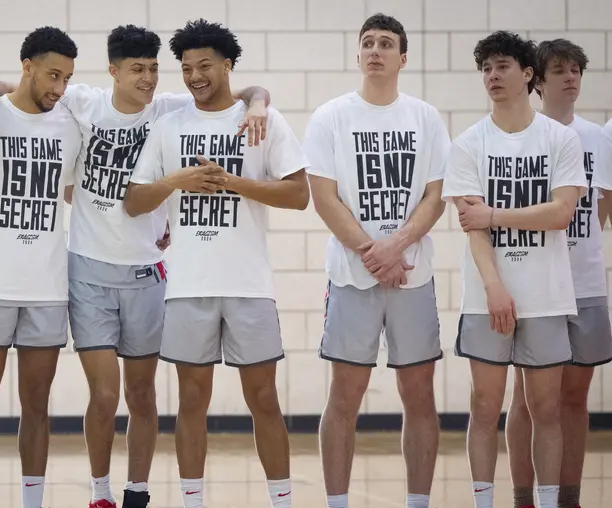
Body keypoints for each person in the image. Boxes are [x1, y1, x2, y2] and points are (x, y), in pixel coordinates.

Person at [0, 24, 272, 508]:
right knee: (105, 394)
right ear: (113, 71)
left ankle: (137, 491)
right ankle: (100, 491)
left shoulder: (170, 109)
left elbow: (248, 90)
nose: (148, 79)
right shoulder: (81, 101)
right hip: (87, 269)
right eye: (137, 70)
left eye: (153, 69)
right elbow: (18, 84)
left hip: (147, 271)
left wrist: (258, 104)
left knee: (143, 395)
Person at [123, 18, 309, 508]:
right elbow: (135, 201)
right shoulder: (168, 125)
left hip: (249, 285)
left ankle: (282, 501)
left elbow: (298, 194)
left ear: (228, 66)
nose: (194, 76)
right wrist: (175, 182)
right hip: (187, 286)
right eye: (186, 68)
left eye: (204, 65)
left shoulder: (261, 120)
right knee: (191, 402)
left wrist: (233, 182)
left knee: (264, 400)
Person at [302, 13, 450, 508]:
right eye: (368, 42)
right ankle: (337, 502)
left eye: (387, 43)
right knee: (344, 397)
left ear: (402, 58)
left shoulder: (425, 117)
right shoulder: (330, 117)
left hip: (413, 277)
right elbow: (323, 197)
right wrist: (373, 253)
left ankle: (418, 502)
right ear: (358, 53)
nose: (376, 50)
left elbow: (435, 196)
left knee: (419, 396)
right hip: (352, 278)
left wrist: (396, 247)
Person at [441, 31, 587, 508]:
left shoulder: (561, 140)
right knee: (484, 407)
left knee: (546, 408)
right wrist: (494, 288)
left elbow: (560, 213)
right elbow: (472, 227)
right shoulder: (467, 144)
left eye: (502, 66)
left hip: (546, 295)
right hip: (488, 297)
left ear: (527, 74)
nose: (492, 76)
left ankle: (547, 502)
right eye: (485, 68)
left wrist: (496, 214)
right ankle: (484, 501)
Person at [0, 26, 81, 508]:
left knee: (37, 404)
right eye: (52, 75)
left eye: (66, 78)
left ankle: (32, 502)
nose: (59, 88)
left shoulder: (69, 124)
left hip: (47, 286)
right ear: (26, 67)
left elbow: (78, 196)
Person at [504, 39, 612, 508]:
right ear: (538, 81)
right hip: (533, 285)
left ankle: (569, 497)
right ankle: (524, 496)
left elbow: (601, 210)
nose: (571, 78)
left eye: (576, 70)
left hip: (585, 285)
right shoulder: (523, 134)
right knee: (528, 398)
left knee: (573, 397)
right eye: (560, 70)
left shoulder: (599, 139)